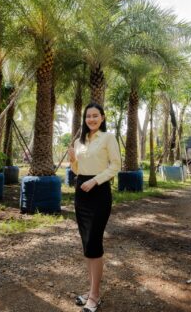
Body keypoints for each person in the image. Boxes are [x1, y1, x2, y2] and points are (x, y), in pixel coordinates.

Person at [68, 102, 121, 312]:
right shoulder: (79, 141)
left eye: (95, 115)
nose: (91, 119)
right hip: (81, 193)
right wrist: (73, 160)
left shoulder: (108, 138)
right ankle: (91, 291)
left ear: (102, 117)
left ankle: (95, 296)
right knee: (86, 244)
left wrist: (95, 181)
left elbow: (116, 165)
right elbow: (77, 170)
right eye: (88, 116)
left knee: (94, 243)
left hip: (99, 193)